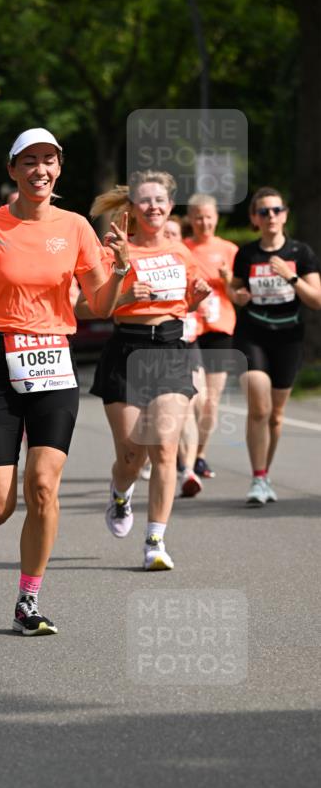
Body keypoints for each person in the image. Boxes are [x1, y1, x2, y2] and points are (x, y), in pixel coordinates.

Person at [0, 128, 119, 635]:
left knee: (42, 486)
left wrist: (119, 272)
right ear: (13, 169)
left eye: (50, 161)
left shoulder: (77, 227)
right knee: (1, 503)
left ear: (59, 169)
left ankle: (27, 601)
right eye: (30, 161)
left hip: (53, 360)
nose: (41, 169)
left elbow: (100, 305)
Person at [87, 171, 211, 570]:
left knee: (163, 449)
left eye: (160, 200)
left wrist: (197, 296)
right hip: (126, 350)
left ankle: (155, 540)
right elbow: (94, 306)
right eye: (145, 200)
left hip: (172, 351)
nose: (153, 206)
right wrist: (124, 291)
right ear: (132, 208)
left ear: (170, 206)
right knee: (131, 455)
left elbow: (185, 303)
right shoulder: (116, 251)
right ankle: (120, 495)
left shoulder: (181, 251)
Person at [231, 187, 321, 505]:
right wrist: (237, 296)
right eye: (264, 212)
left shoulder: (301, 253)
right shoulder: (247, 254)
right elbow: (235, 292)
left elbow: (316, 300)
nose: (271, 216)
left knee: (276, 415)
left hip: (288, 338)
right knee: (259, 405)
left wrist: (290, 277)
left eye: (277, 210)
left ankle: (264, 474)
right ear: (254, 218)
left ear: (285, 215)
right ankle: (257, 480)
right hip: (251, 335)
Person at [183, 193, 240, 479]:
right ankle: (186, 455)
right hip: (190, 329)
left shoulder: (229, 249)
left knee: (211, 401)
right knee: (193, 396)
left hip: (219, 328)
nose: (204, 222)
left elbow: (238, 295)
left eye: (208, 217)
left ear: (216, 218)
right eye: (198, 217)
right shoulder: (182, 248)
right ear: (190, 219)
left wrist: (228, 279)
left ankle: (200, 456)